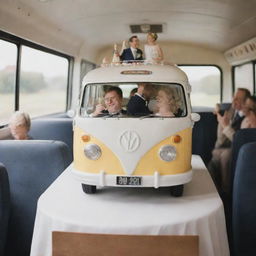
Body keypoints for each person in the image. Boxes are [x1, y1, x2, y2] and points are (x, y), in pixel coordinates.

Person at [208, 88, 251, 194]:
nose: (233, 101)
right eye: (233, 97)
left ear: (245, 101)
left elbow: (240, 140)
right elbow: (218, 106)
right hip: (222, 145)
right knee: (213, 162)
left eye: (237, 99)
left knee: (225, 155)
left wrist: (225, 126)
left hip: (237, 148)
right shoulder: (230, 109)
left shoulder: (249, 117)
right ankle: (211, 190)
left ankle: (226, 191)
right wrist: (217, 108)